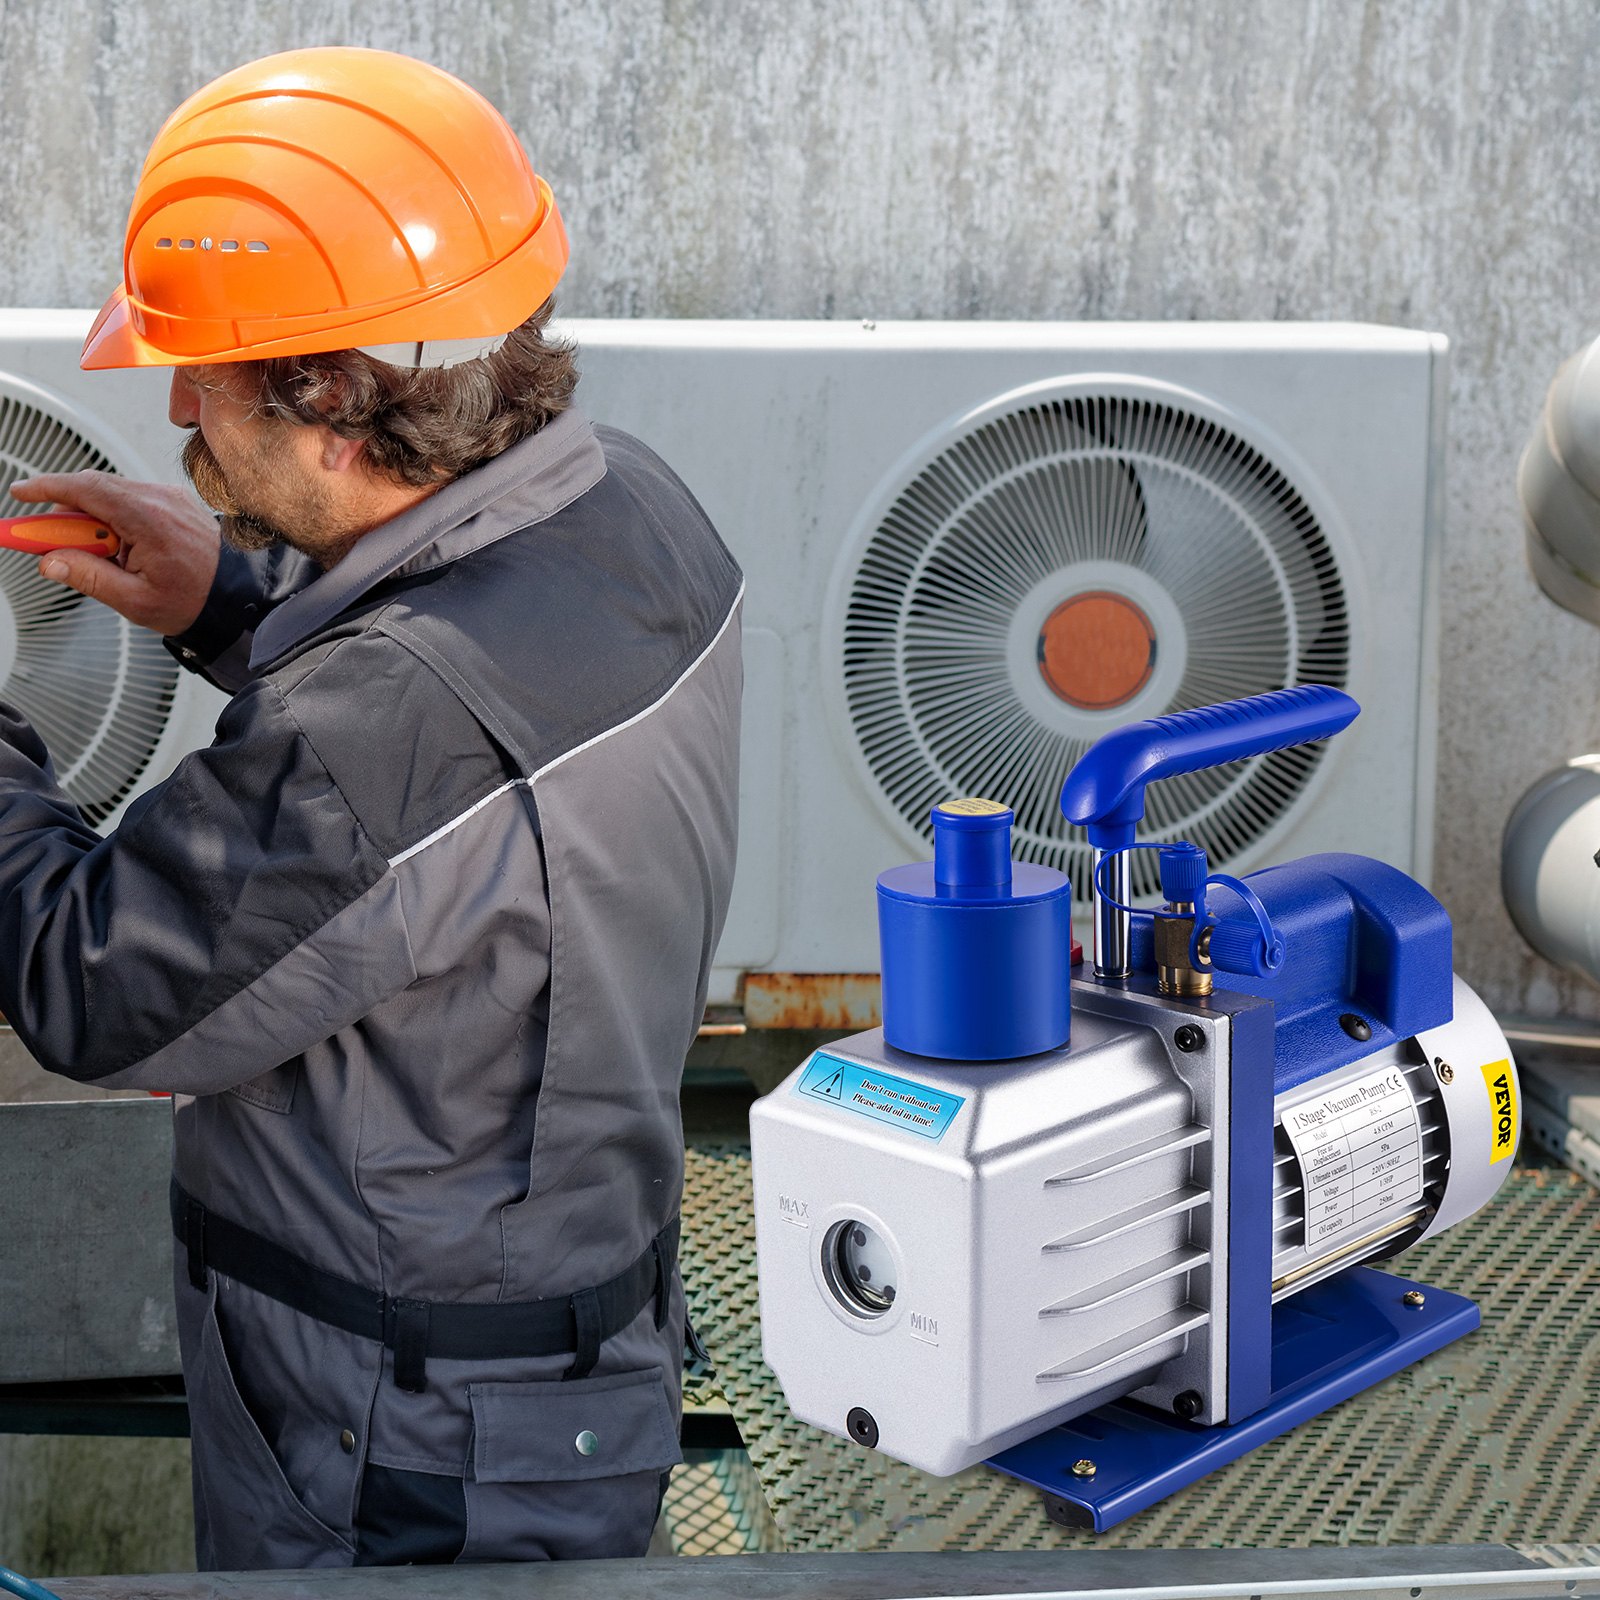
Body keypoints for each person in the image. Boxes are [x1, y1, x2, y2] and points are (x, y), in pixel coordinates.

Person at [0, 47, 742, 1569]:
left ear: (332, 393)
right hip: (562, 1360)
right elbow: (465, 754)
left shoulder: (368, 743)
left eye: (206, 370)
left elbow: (94, 983)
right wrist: (229, 599)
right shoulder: (634, 510)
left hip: (393, 1450)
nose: (177, 402)